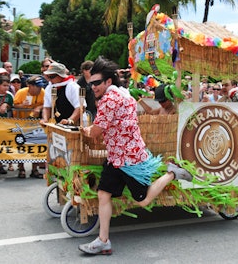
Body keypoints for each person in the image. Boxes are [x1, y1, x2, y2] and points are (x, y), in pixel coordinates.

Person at [78, 56, 193, 255]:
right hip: (116, 157)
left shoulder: (110, 99)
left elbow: (96, 131)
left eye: (97, 83)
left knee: (143, 200)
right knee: (103, 194)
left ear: (108, 82)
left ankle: (172, 174)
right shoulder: (124, 94)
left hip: (130, 160)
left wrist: (85, 130)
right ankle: (103, 240)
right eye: (91, 84)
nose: (93, 87)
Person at [14, 75, 47, 178]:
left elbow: (46, 104)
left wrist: (39, 107)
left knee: (35, 144)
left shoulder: (43, 92)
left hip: (35, 122)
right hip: (21, 121)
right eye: (37, 86)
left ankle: (34, 169)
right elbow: (15, 105)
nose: (39, 89)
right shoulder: (21, 92)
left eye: (40, 86)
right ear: (30, 86)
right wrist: (22, 105)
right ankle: (21, 168)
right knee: (21, 145)